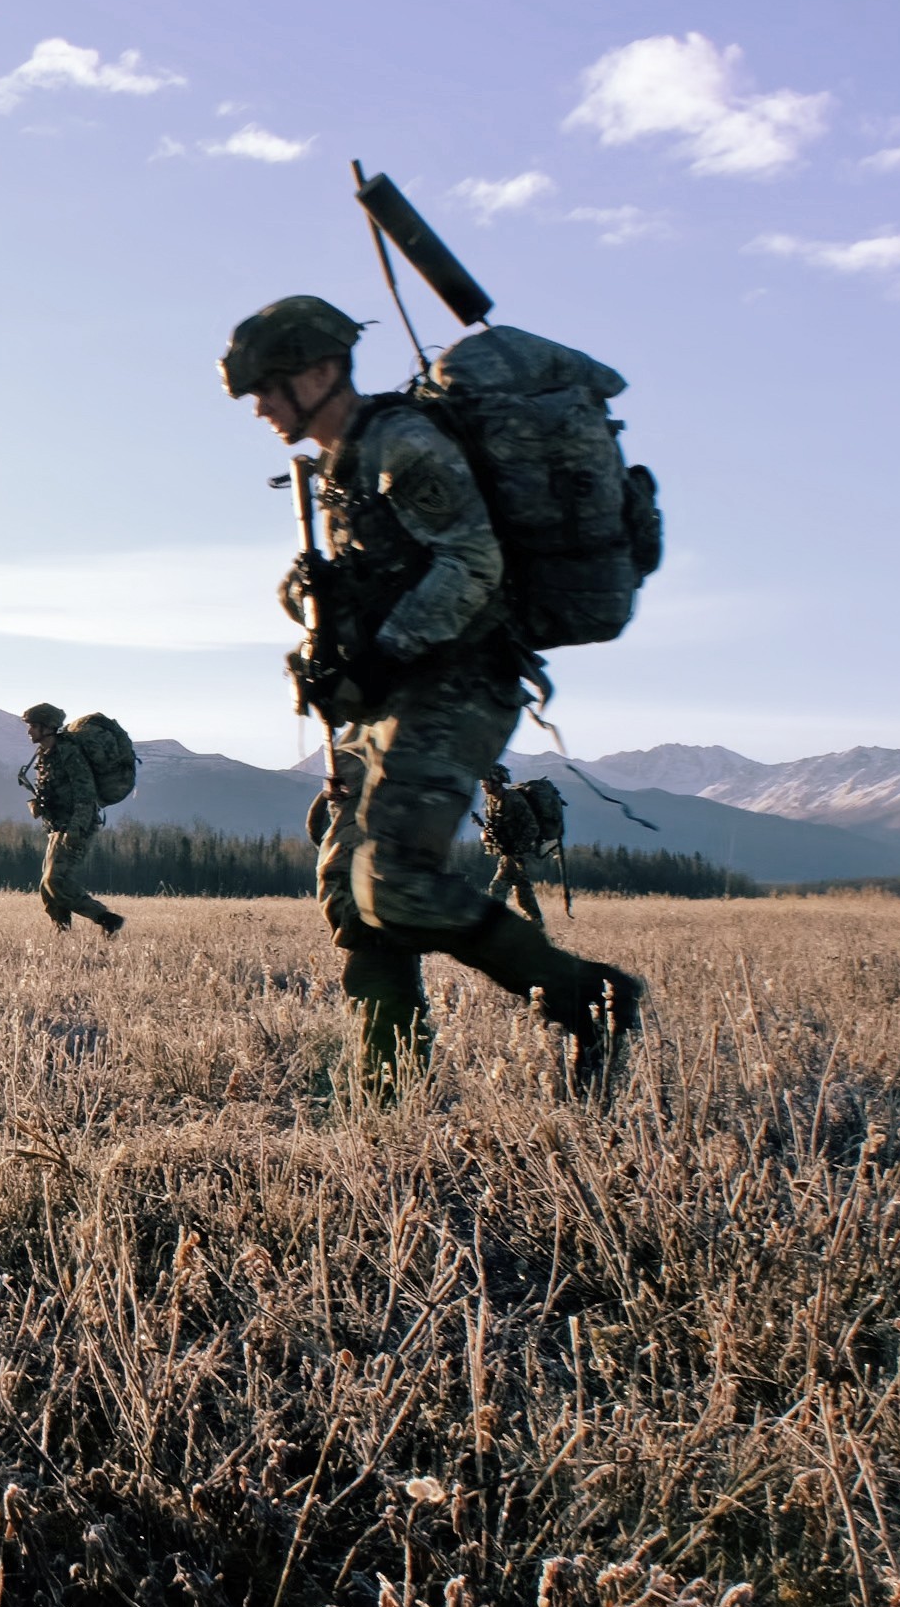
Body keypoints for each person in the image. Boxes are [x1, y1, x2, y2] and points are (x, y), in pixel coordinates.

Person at [226, 294, 642, 1097]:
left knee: (397, 884)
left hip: (455, 685)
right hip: (387, 698)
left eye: (271, 386)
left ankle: (589, 999)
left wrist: (380, 655)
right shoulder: (338, 468)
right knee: (351, 893)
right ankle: (388, 1098)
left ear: (321, 372)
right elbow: (383, 576)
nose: (263, 407)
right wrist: (309, 601)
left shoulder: (403, 445)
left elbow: (471, 565)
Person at [21, 703, 124, 937]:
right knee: (47, 888)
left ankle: (107, 919)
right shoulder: (45, 755)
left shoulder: (69, 754)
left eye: (33, 726)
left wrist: (76, 830)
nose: (29, 731)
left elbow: (85, 795)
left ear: (47, 727)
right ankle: (62, 934)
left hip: (76, 827)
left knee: (56, 881)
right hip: (57, 827)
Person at [478, 767, 566, 928]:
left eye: (485, 781)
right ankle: (536, 924)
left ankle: (492, 928)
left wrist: (517, 849)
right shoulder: (491, 801)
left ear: (496, 782)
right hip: (509, 853)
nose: (482, 785)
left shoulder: (513, 799)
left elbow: (533, 828)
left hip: (521, 853)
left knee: (497, 889)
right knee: (523, 892)